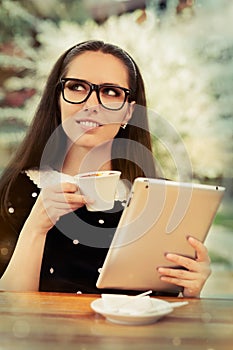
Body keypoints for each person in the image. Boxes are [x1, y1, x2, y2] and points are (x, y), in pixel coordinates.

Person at [0, 40, 211, 297]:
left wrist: (190, 289)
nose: (92, 103)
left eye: (111, 92)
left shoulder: (159, 200)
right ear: (58, 99)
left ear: (128, 113)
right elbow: (9, 309)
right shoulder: (16, 189)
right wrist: (36, 227)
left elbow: (164, 306)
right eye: (77, 87)